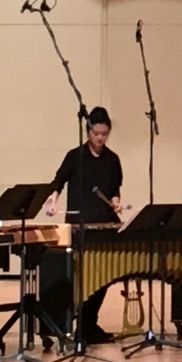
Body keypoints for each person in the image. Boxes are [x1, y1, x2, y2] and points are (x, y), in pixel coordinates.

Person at [43, 106, 124, 345]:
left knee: (103, 277)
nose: (100, 138)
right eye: (96, 133)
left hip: (105, 226)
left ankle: (88, 323)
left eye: (104, 134)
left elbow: (114, 190)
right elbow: (58, 183)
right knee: (79, 279)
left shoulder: (112, 160)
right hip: (80, 226)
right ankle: (72, 324)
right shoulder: (75, 157)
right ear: (88, 131)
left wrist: (116, 202)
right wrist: (52, 201)